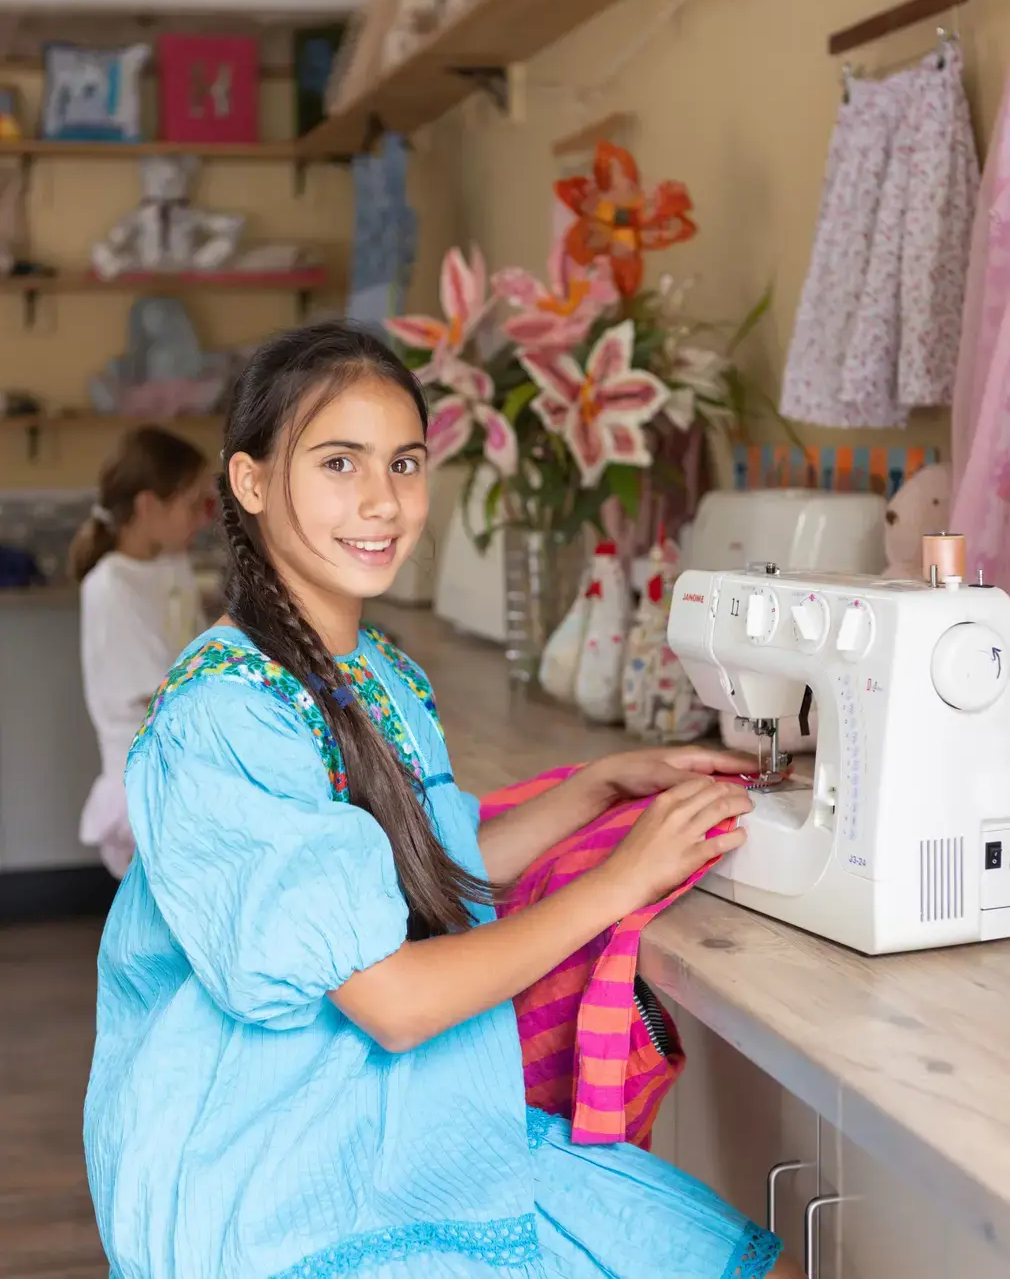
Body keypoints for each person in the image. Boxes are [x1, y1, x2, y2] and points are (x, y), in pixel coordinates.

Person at [84, 323, 803, 1279]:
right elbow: (394, 1003)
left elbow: (426, 868)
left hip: (412, 1114)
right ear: (250, 483)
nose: (382, 501)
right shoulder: (226, 716)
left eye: (405, 462)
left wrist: (594, 786)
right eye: (339, 463)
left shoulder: (377, 669)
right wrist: (620, 880)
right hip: (279, 1171)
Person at [72, 425, 209, 878]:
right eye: (193, 505)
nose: (201, 519)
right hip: (147, 784)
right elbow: (165, 692)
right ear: (148, 506)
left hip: (184, 770)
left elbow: (200, 653)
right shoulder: (111, 586)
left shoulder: (173, 565)